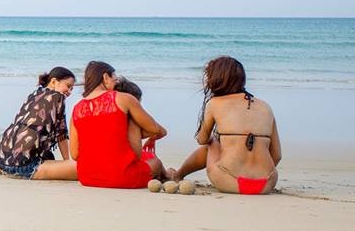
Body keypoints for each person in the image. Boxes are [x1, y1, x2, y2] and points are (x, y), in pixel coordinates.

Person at [168, 56, 281, 194]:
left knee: (212, 142)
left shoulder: (215, 103)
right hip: (266, 183)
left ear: (216, 79)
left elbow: (202, 139)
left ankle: (178, 175)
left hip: (230, 180)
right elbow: (277, 155)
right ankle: (179, 174)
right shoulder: (265, 107)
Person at [70, 62, 167, 188]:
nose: (115, 84)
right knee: (156, 163)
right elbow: (153, 129)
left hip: (87, 177)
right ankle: (170, 175)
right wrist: (129, 135)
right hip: (122, 177)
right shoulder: (124, 98)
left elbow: (75, 154)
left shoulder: (76, 109)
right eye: (114, 80)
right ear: (105, 77)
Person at [0, 67, 78, 180]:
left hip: (4, 160)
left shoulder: (35, 93)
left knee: (41, 156)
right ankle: (14, 170)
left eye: (72, 89)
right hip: (27, 166)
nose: (70, 91)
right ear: (53, 82)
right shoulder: (58, 97)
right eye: (68, 86)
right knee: (80, 169)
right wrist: (67, 163)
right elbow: (61, 135)